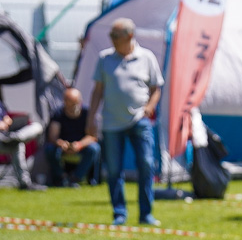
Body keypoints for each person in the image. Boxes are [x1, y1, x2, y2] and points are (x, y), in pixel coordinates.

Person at [86, 18, 163, 226]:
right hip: (111, 123)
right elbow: (97, 91)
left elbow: (156, 88)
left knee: (146, 165)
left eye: (115, 36)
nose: (111, 39)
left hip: (139, 120)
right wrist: (91, 117)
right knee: (113, 170)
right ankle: (119, 213)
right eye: (111, 35)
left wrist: (150, 106)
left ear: (129, 36)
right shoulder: (104, 59)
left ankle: (146, 214)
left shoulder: (146, 57)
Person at [44, 87, 101, 187]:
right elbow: (52, 136)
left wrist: (79, 145)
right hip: (62, 146)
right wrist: (60, 143)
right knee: (49, 149)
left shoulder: (87, 114)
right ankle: (61, 177)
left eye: (73, 103)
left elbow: (93, 136)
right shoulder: (58, 114)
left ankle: (76, 178)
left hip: (82, 146)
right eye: (68, 103)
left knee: (94, 149)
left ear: (80, 101)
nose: (70, 107)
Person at [0, 95, 47, 190]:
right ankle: (14, 138)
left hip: (6, 136)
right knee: (18, 145)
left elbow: (6, 117)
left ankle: (15, 137)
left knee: (37, 127)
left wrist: (6, 120)